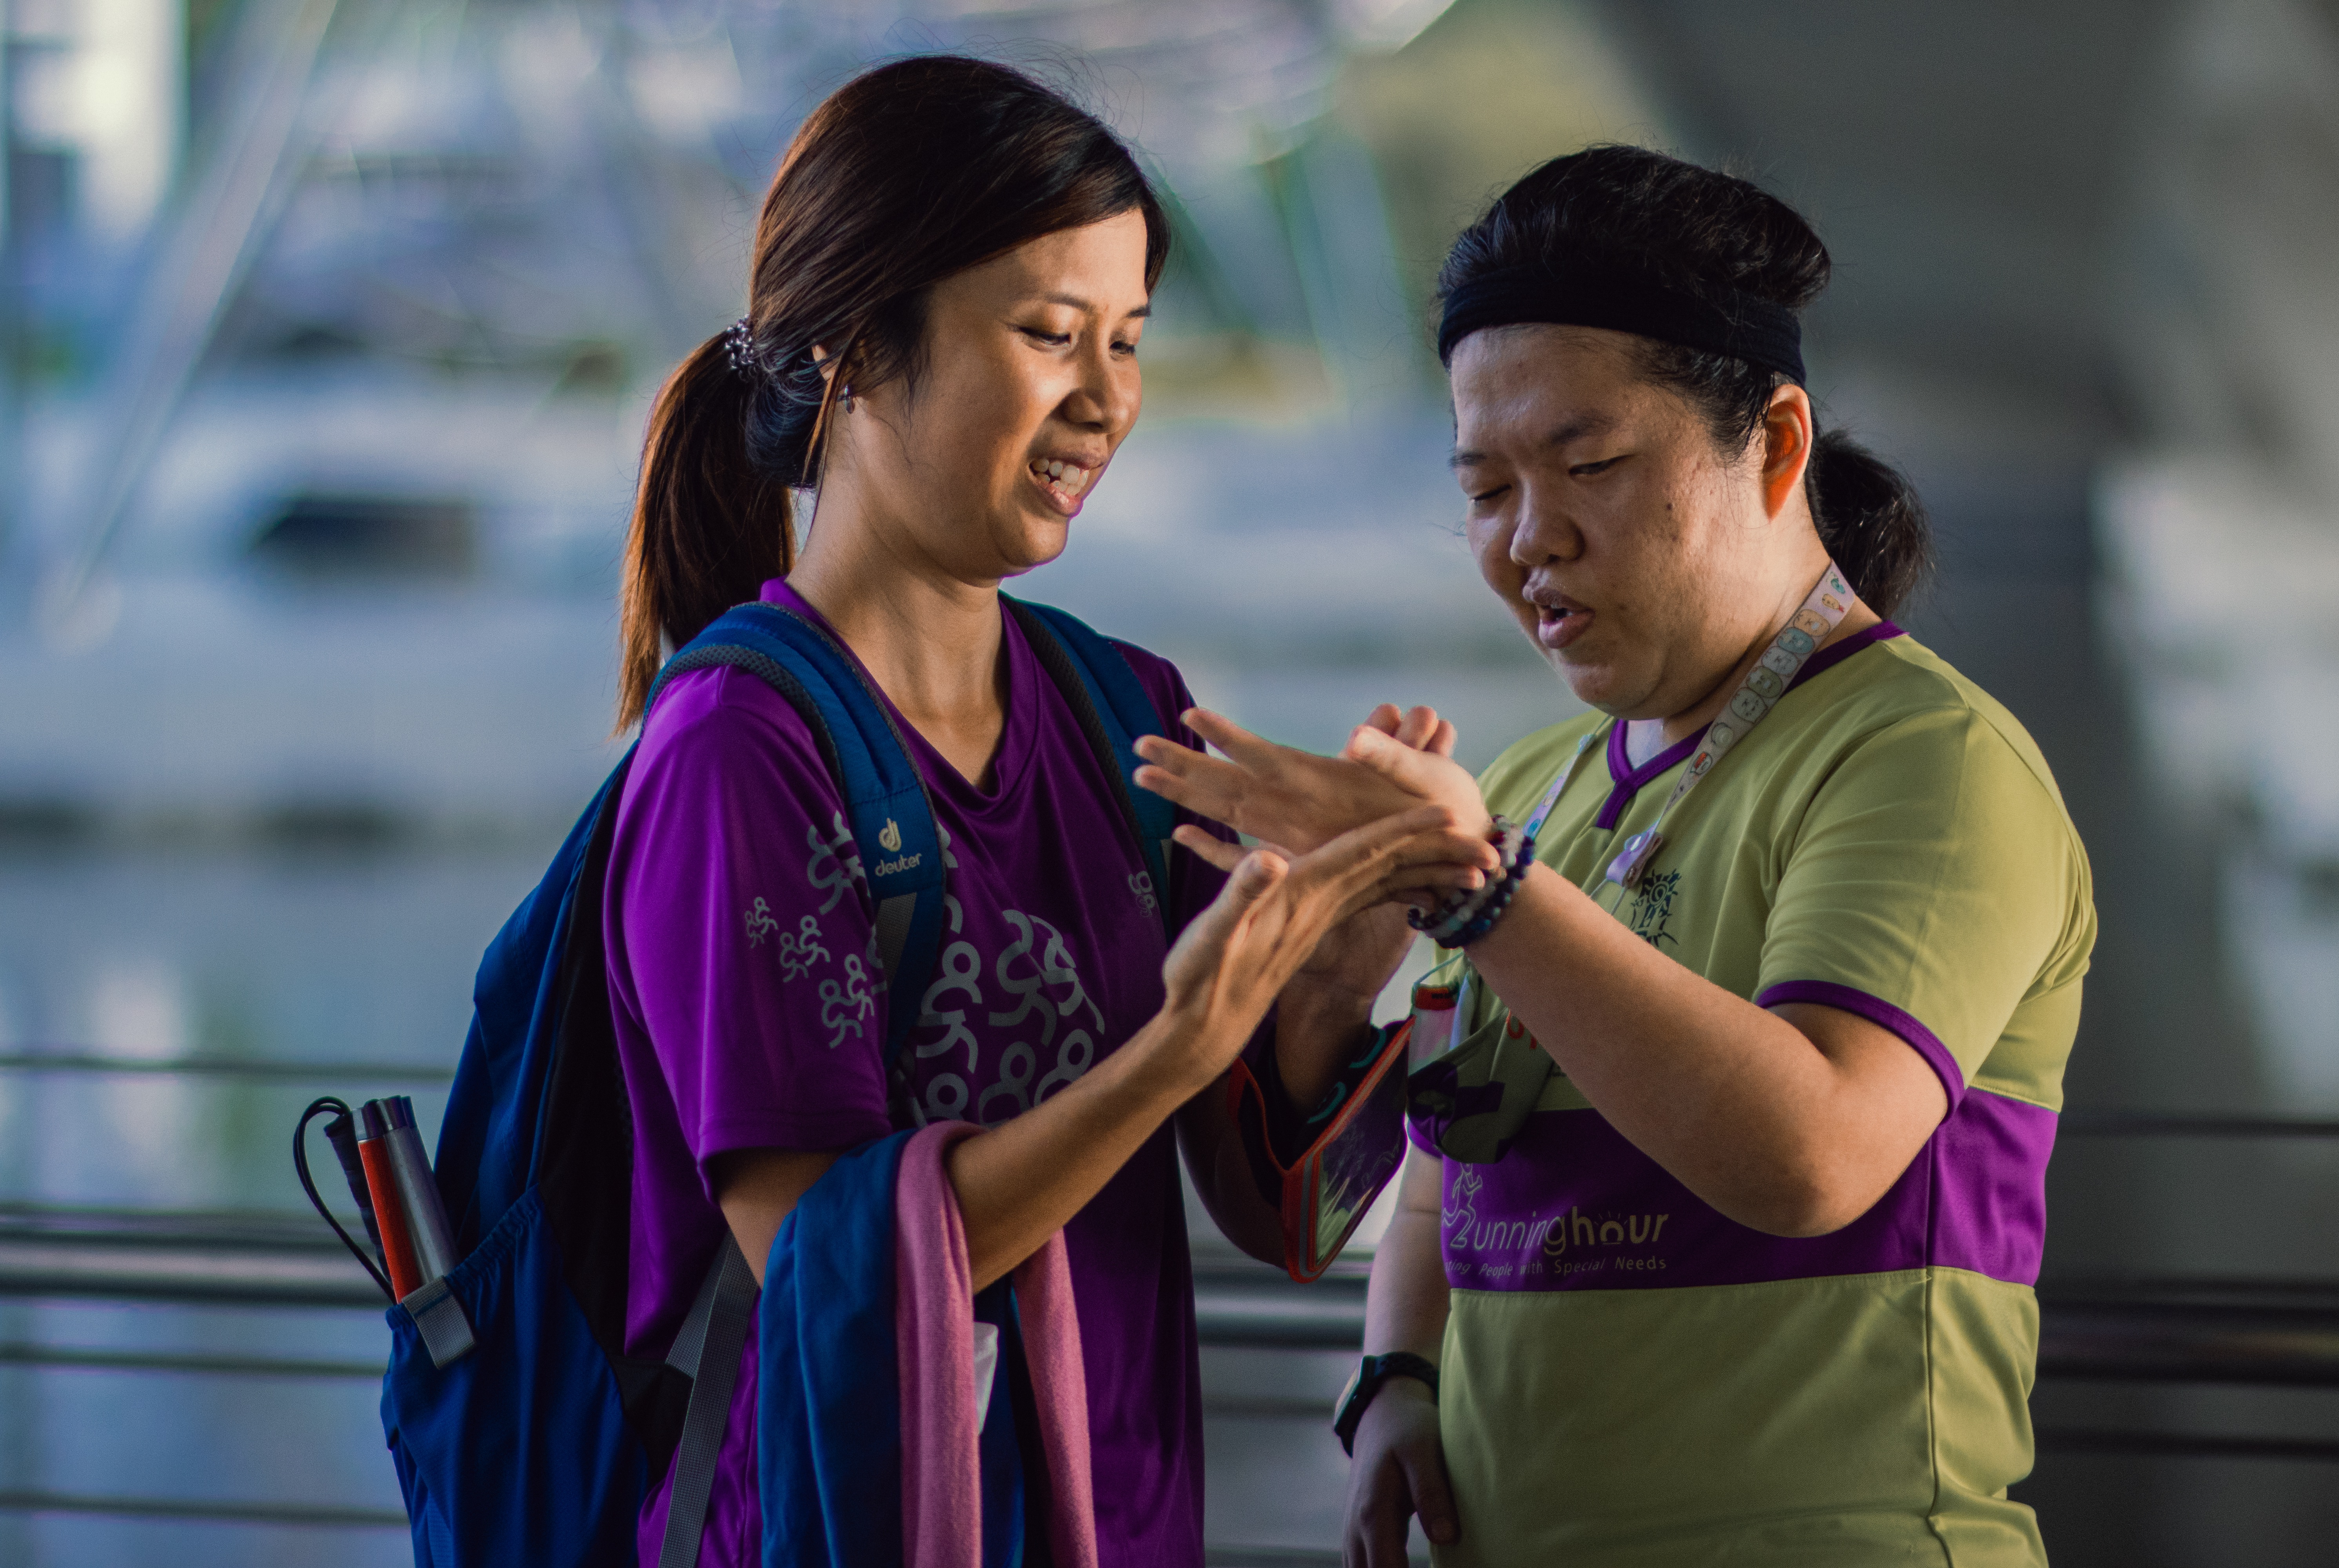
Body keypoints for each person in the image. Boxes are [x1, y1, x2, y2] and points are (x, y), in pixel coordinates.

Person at [1135, 145, 2096, 1566]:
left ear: (1773, 444)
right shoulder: (1531, 785)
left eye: (1587, 464)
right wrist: (1398, 1368)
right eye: (1484, 488)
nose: (1532, 539)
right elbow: (1435, 1171)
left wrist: (1478, 889)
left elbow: (1812, 1156)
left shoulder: (1922, 758)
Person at [600, 56, 1489, 1568]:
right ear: (854, 354)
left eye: (1132, 341)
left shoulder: (1124, 707)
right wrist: (1174, 1050)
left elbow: (1285, 1220)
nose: (1107, 400)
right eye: (1048, 334)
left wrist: (1350, 947)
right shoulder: (738, 753)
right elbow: (825, 1269)